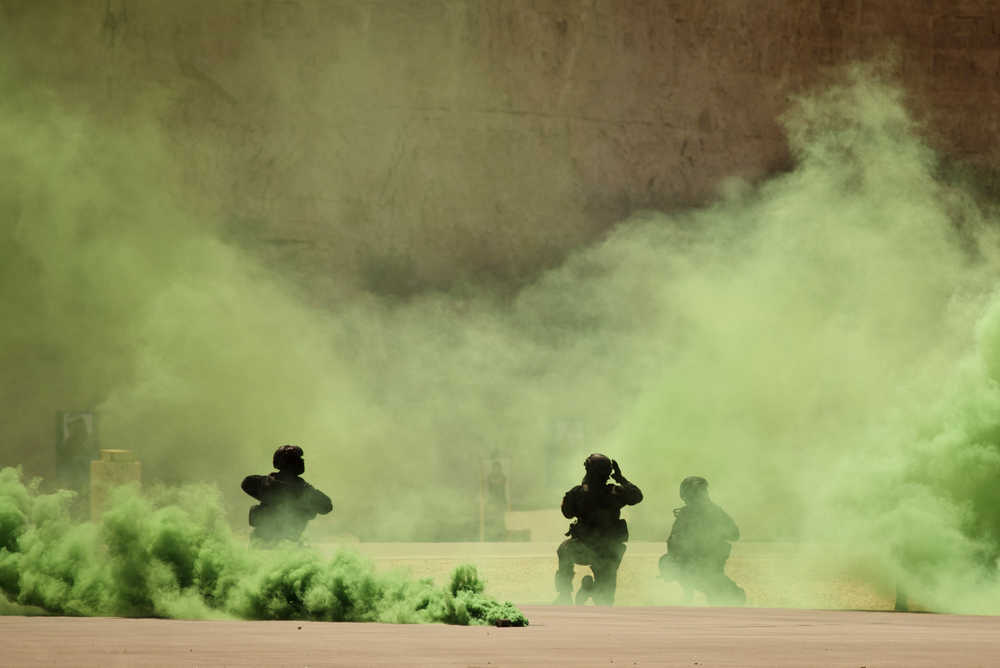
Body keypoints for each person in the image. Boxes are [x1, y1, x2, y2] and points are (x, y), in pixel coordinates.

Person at [554, 453, 643, 605]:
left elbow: (567, 513)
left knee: (564, 549)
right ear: (608, 473)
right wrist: (620, 478)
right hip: (609, 552)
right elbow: (637, 496)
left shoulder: (578, 493)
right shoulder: (615, 492)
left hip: (585, 549)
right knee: (605, 602)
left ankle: (566, 594)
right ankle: (589, 590)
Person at [659, 476, 745, 605]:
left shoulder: (693, 513)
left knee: (731, 597)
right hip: (700, 568)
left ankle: (689, 596)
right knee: (731, 597)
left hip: (703, 568)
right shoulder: (706, 512)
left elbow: (734, 534)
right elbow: (734, 534)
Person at [241, 445, 333, 546]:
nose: (301, 462)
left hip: (287, 542)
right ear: (289, 463)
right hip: (268, 541)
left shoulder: (302, 489)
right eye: (297, 459)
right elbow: (247, 483)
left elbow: (326, 506)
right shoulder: (270, 485)